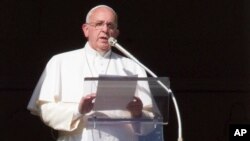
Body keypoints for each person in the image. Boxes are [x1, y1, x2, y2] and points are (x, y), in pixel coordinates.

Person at [27, 5, 154, 141]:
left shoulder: (132, 66)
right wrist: (78, 110)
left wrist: (138, 114)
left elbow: (151, 122)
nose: (105, 30)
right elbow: (46, 111)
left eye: (110, 26)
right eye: (99, 24)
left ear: (116, 33)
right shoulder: (60, 62)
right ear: (86, 30)